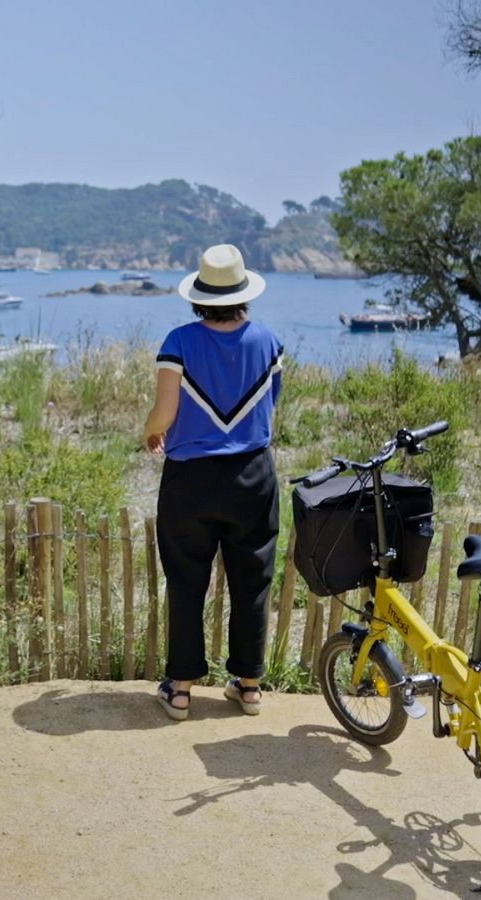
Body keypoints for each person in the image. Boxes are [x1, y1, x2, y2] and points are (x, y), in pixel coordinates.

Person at [143, 244, 284, 720]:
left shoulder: (178, 342)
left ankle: (180, 689)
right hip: (254, 475)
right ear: (244, 293)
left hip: (192, 479)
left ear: (199, 294)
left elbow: (165, 412)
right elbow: (270, 408)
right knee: (252, 579)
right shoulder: (269, 342)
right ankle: (248, 687)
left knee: (186, 579)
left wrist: (151, 430)